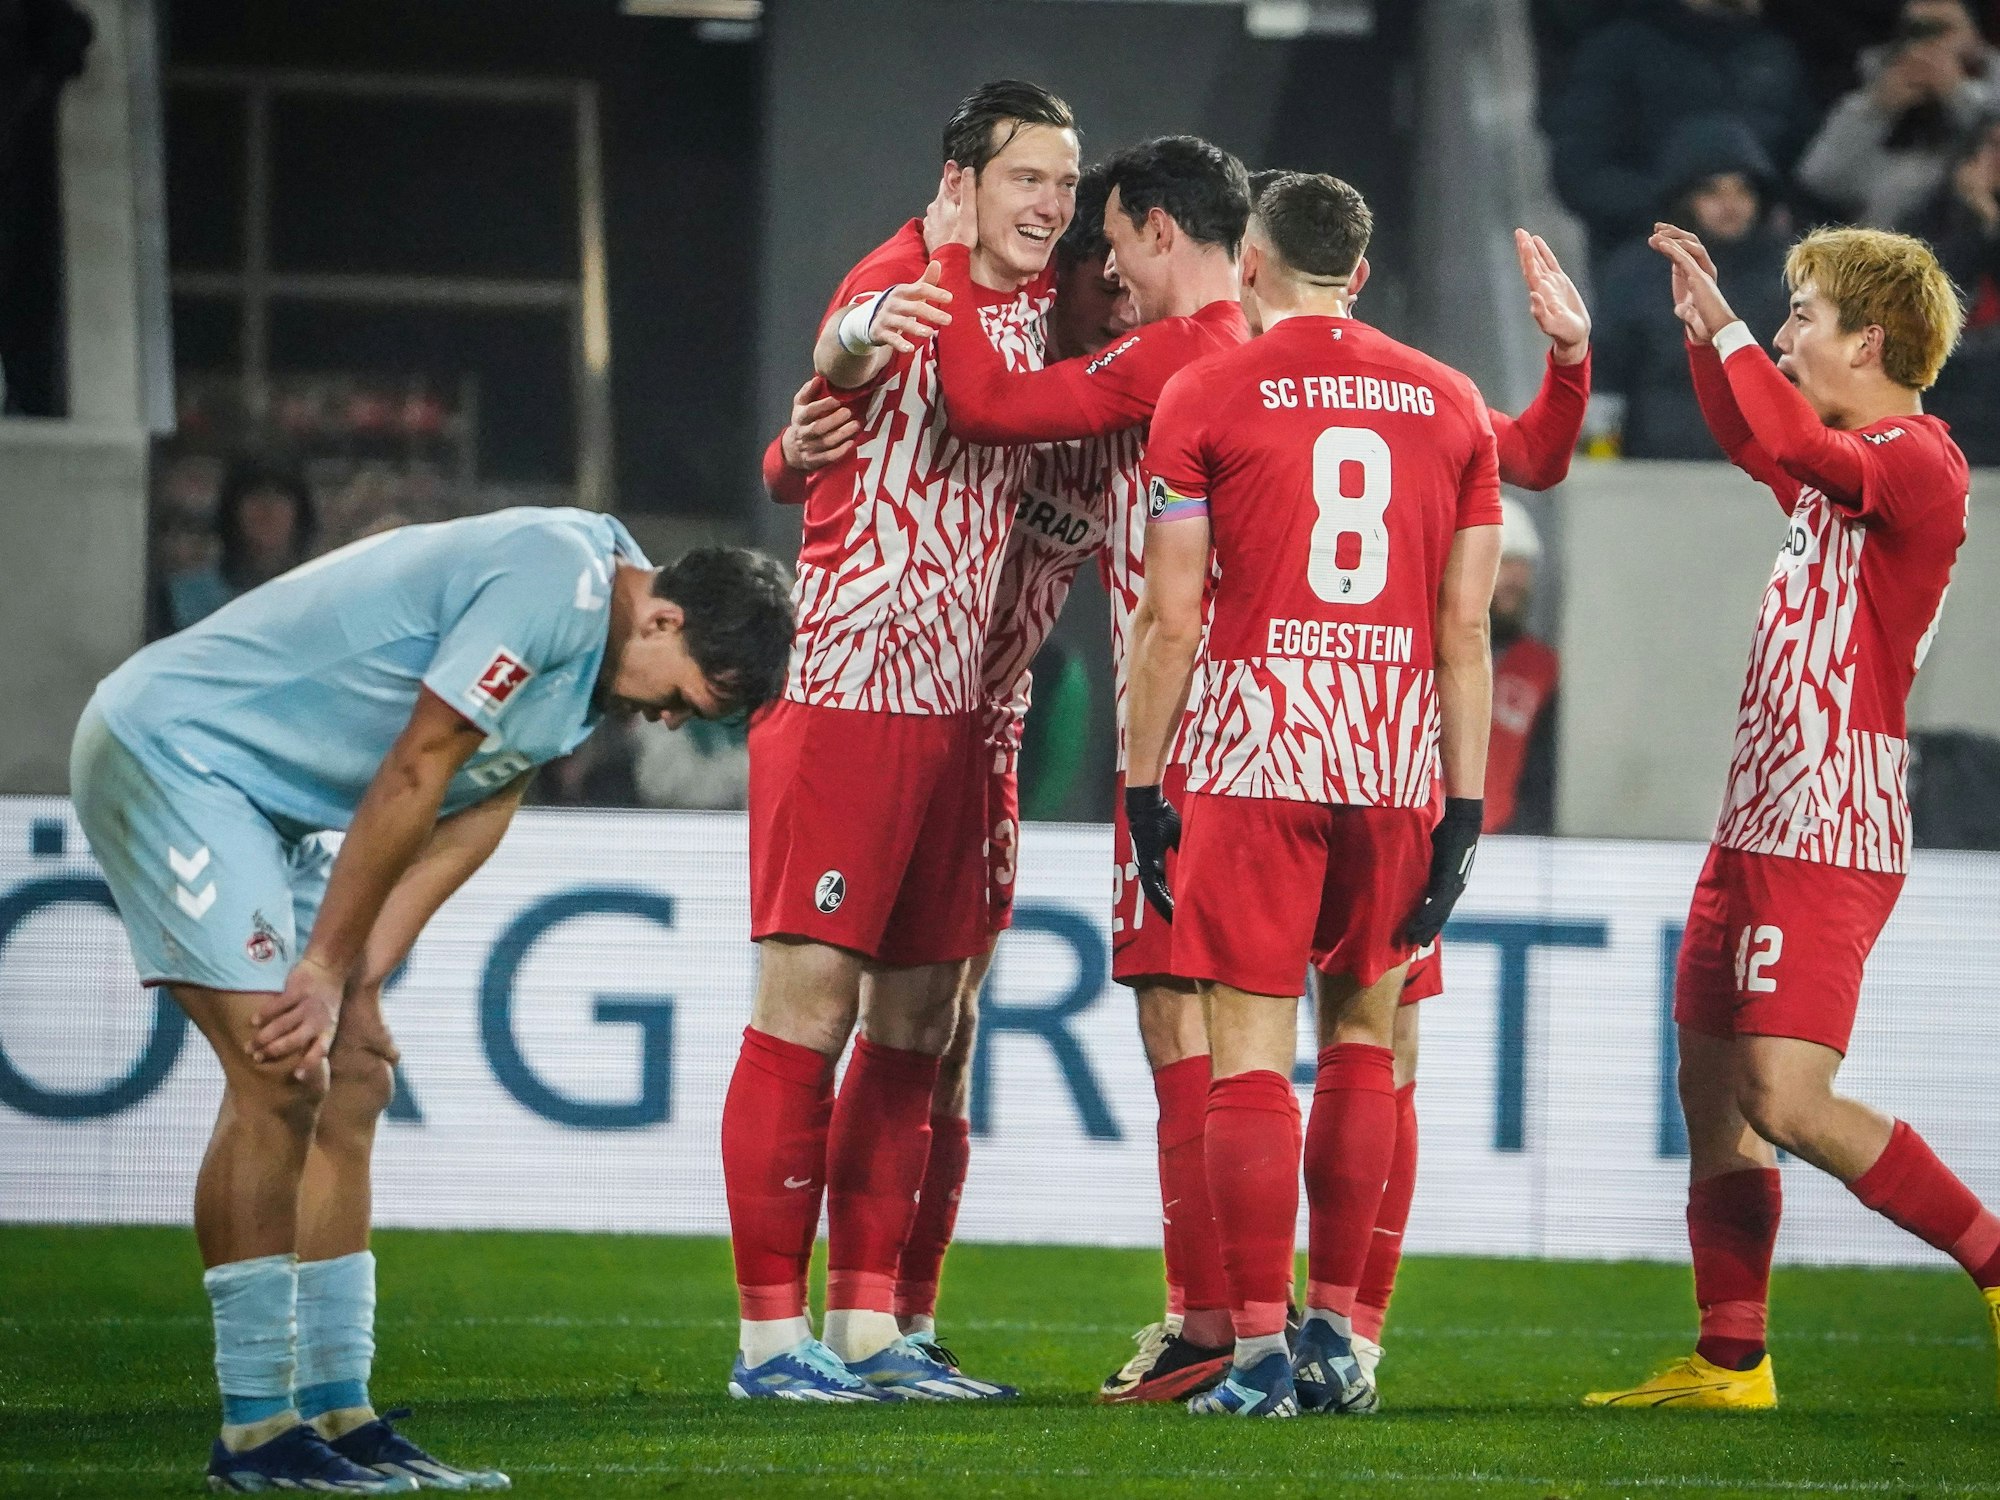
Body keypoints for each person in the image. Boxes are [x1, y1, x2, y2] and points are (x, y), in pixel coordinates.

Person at [69, 509, 792, 1490]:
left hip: (270, 803)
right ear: (661, 621)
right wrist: (322, 967)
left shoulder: (593, 669)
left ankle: (341, 1413)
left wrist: (362, 973)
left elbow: (475, 807)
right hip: (178, 754)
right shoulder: (553, 579)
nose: (671, 721)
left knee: (353, 1076)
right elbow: (418, 763)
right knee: (282, 1071)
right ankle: (254, 1433)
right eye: (687, 700)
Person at [1584, 223, 1998, 1410]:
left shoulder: (1919, 458)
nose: (1780, 335)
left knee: (1783, 1100)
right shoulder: (1836, 459)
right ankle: (1731, 1364)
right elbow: (1747, 433)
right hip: (1759, 811)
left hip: (1829, 817)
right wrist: (1694, 330)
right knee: (1710, 1090)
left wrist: (1719, 323)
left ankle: (1993, 1260)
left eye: (1800, 317)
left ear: (1869, 340)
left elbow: (1774, 431)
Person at [1123, 171, 1504, 1418]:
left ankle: (1249, 1353)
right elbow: (1465, 628)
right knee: (1362, 1041)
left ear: (1249, 266)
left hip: (1258, 747)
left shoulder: (1206, 389)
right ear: (1360, 263)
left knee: (1246, 1052)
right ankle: (1340, 1340)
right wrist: (1463, 804)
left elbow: (1171, 618)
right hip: (1394, 758)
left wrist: (1139, 782)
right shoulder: (1451, 403)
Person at [723, 78, 1077, 1404]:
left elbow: (812, 445)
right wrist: (843, 363)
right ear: (961, 183)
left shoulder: (1040, 302)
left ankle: (870, 1330)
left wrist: (787, 458)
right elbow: (850, 348)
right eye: (1025, 178)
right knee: (807, 1014)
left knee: (925, 1022)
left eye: (1063, 182)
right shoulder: (909, 275)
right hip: (852, 693)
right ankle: (769, 1343)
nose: (1047, 204)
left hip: (957, 718)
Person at [1548, 0, 1813, 259]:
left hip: (1773, 266)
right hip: (1653, 264)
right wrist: (1677, 212)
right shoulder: (1617, 54)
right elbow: (1580, 174)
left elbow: (1811, 168)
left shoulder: (1772, 53)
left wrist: (1769, 211)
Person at [1595, 114, 1794, 458]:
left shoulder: (1793, 275)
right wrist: (1599, 462)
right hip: (1656, 476)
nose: (1730, 204)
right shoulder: (1635, 274)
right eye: (1712, 191)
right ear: (1683, 197)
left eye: (1743, 190)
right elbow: (1606, 379)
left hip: (1770, 475)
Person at [1795, 0, 1999, 230]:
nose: (1930, 43)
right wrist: (1876, 110)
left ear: (1974, 35)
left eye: (1942, 29)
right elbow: (1819, 179)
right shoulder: (1878, 86)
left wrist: (1958, 95)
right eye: (1917, 29)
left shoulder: (1993, 83)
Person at [1906, 106, 2000, 463]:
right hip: (1947, 378)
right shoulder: (1927, 215)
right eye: (1990, 147)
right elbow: (1934, 288)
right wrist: (1978, 220)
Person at [163, 457, 319, 633]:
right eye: (254, 495)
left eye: (280, 494)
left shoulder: (320, 600)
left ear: (300, 512)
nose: (267, 508)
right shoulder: (188, 600)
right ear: (232, 511)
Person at [1485, 499, 1559, 836]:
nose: (1515, 577)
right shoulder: (1426, 653)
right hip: (1428, 836)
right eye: (1503, 562)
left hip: (1510, 846)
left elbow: (1544, 775)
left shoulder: (1540, 667)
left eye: (1522, 565)